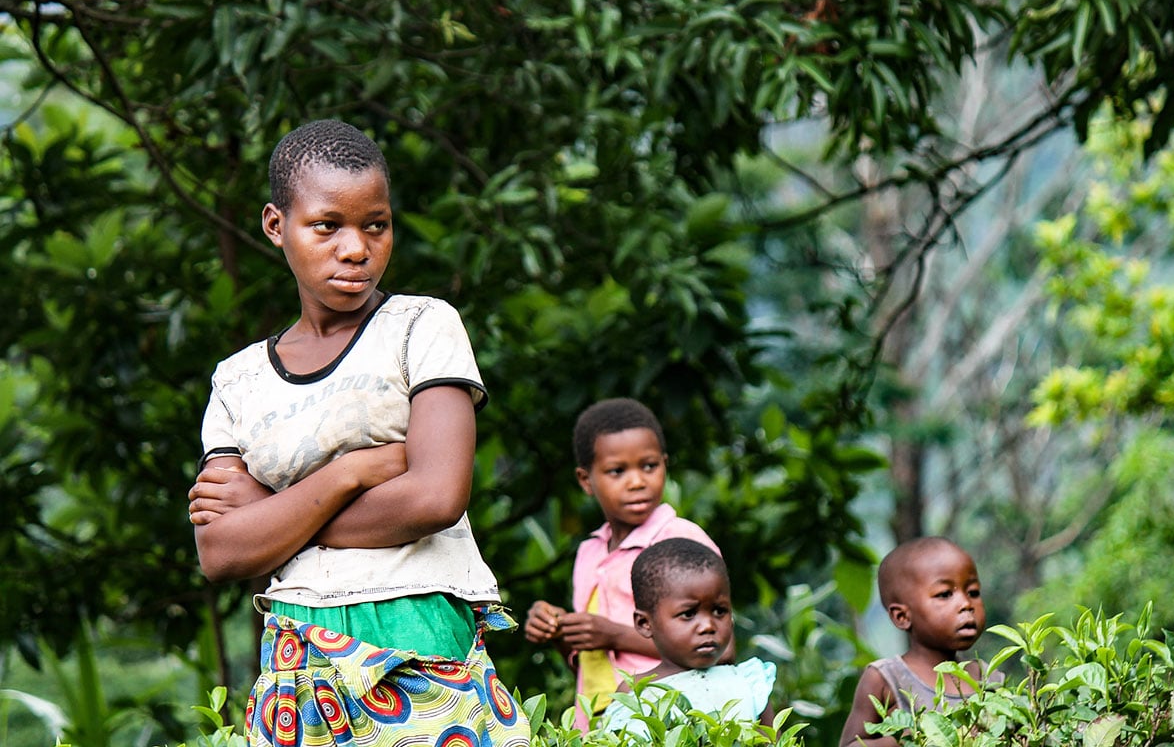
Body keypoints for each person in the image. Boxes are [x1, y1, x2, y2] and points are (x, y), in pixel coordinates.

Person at [188, 119, 529, 747]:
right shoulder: (237, 382)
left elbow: (434, 498)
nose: (356, 248)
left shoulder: (420, 327)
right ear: (275, 226)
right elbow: (223, 552)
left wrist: (273, 515)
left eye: (376, 225)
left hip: (420, 638)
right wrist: (352, 472)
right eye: (327, 226)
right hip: (295, 666)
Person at [523, 398, 721, 731]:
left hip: (667, 724)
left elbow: (720, 648)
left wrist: (613, 635)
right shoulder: (589, 553)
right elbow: (595, 667)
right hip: (598, 727)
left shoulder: (680, 540)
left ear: (665, 464)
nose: (636, 482)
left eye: (649, 466)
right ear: (586, 480)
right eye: (618, 471)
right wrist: (559, 632)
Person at [601, 538, 776, 735]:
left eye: (719, 611)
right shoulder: (636, 694)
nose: (708, 626)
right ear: (645, 623)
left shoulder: (749, 683)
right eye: (689, 614)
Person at [839, 536, 996, 747]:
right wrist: (907, 739)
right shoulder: (885, 678)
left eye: (973, 592)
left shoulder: (987, 677)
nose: (966, 604)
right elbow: (851, 745)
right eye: (945, 594)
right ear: (902, 617)